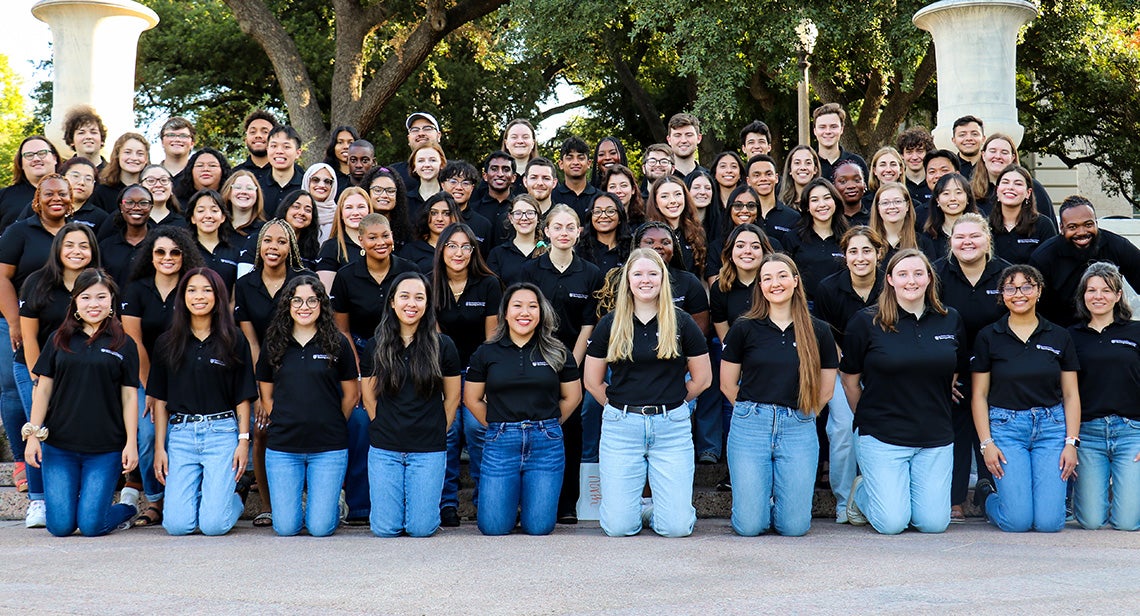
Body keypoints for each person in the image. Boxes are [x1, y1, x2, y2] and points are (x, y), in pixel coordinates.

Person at [583, 248, 711, 537]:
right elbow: (592, 381)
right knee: (618, 527)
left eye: (653, 273)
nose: (645, 280)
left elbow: (702, 379)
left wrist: (672, 403)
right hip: (621, 429)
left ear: (663, 278)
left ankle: (666, 509)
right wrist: (620, 409)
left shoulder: (681, 322)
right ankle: (633, 508)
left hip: (671, 429)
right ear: (627, 279)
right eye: (638, 273)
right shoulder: (610, 324)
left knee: (676, 528)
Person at [841, 249, 966, 535]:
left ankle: (893, 494)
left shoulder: (950, 319)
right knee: (892, 524)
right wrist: (867, 417)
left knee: (934, 524)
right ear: (890, 280)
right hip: (882, 435)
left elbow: (956, 364)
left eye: (919, 273)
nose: (912, 281)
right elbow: (849, 379)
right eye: (903, 274)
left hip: (934, 437)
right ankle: (863, 493)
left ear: (930, 278)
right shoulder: (866, 322)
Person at [721, 254, 838, 536]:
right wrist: (754, 414)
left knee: (794, 527)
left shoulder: (818, 330)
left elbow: (826, 389)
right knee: (749, 527)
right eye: (768, 278)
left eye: (783, 276)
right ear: (760, 286)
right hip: (751, 426)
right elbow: (727, 384)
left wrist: (802, 416)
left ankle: (777, 506)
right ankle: (757, 506)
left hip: (798, 425)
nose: (776, 283)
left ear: (796, 281)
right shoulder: (744, 328)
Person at [25, 269, 140, 536]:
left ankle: (126, 509)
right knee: (60, 527)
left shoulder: (124, 343)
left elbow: (129, 395)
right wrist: (32, 435)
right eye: (86, 297)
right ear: (75, 300)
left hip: (104, 449)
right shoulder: (58, 339)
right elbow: (42, 390)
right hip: (59, 446)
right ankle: (83, 506)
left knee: (91, 526)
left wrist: (131, 443)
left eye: (101, 297)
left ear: (112, 301)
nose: (94, 304)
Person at [465, 283, 582, 535]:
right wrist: (498, 426)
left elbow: (573, 396)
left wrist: (548, 425)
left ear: (541, 313)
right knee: (493, 527)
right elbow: (472, 399)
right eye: (517, 306)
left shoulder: (557, 351)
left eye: (532, 306)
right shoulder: (486, 353)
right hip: (500, 443)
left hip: (546, 444)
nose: (524, 312)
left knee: (539, 528)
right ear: (505, 313)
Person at [971, 264, 1081, 533]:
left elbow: (1071, 394)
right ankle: (988, 497)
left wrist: (1071, 443)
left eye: (1027, 286)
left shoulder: (1058, 335)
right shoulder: (989, 336)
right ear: (1002, 295)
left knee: (1049, 523)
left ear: (1039, 291)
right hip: (1006, 428)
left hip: (1051, 428)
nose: (1018, 293)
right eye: (1010, 287)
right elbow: (979, 395)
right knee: (1016, 522)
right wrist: (987, 445)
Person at [150, 268, 255, 535]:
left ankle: (233, 500)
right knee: (176, 526)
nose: (199, 296)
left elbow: (243, 396)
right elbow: (160, 401)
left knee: (214, 526)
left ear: (218, 296)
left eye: (207, 290)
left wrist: (243, 441)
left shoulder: (234, 340)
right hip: (181, 434)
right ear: (182, 297)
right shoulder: (166, 343)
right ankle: (206, 501)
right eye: (192, 290)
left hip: (221, 433)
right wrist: (160, 447)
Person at [520, 205, 603, 523]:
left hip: (572, 362)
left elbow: (588, 326)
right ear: (547, 231)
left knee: (569, 430)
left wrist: (569, 365)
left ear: (579, 232)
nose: (565, 232)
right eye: (558, 227)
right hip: (534, 358)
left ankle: (568, 503)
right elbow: (525, 318)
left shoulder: (590, 273)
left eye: (571, 226)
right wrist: (543, 361)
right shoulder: (532, 271)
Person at [362, 272, 462, 537]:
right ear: (392, 302)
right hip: (386, 449)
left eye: (419, 297)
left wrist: (439, 430)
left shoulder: (444, 346)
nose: (411, 304)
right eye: (404, 296)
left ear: (428, 304)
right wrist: (383, 426)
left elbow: (452, 399)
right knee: (385, 529)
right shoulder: (375, 346)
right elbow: (369, 398)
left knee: (421, 529)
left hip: (428, 448)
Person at [257, 275, 358, 536]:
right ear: (287, 305)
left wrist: (332, 421)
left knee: (321, 528)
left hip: (328, 447)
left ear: (322, 304)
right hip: (284, 448)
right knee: (286, 528)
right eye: (297, 300)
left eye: (312, 300)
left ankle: (334, 503)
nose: (305, 307)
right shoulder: (274, 344)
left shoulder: (337, 343)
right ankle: (305, 503)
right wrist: (283, 418)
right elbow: (266, 394)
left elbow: (351, 394)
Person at [16, 223, 100, 528]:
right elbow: (29, 337)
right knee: (37, 430)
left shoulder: (97, 285)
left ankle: (72, 496)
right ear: (58, 249)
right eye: (70, 245)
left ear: (92, 251)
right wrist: (39, 380)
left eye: (83, 246)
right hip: (35, 367)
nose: (76, 252)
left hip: (80, 371)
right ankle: (38, 498)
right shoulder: (36, 283)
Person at [121, 226, 206, 527]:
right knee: (147, 434)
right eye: (160, 252)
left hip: (188, 377)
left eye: (175, 252)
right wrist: (151, 388)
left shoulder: (193, 288)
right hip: (147, 377)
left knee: (178, 436)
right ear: (151, 255)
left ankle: (185, 497)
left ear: (185, 255)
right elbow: (134, 341)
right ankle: (156, 499)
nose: (167, 257)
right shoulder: (137, 289)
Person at [0, 174, 73, 526]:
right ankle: (38, 499)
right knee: (37, 424)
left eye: (63, 193)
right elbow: (1, 277)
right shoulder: (19, 233)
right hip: (33, 342)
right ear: (36, 200)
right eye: (49, 194)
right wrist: (14, 322)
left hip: (73, 353)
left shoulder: (78, 236)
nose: (56, 199)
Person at [234, 219, 316, 526]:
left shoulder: (303, 280)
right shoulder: (245, 285)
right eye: (268, 241)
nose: (274, 247)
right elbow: (251, 341)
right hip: (261, 367)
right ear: (259, 245)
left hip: (300, 364)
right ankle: (269, 504)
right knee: (261, 428)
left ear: (291, 247)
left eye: (282, 242)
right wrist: (260, 387)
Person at [932, 213, 1009, 522]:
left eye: (974, 236)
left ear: (987, 239)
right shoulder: (937, 274)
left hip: (998, 369)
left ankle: (992, 493)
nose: (967, 242)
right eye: (960, 237)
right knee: (957, 432)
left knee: (993, 432)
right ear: (951, 242)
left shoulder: (1005, 274)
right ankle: (954, 499)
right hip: (954, 369)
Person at [813, 226, 886, 523]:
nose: (860, 257)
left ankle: (878, 494)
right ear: (844, 256)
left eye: (867, 250)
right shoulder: (829, 288)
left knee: (883, 431)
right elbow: (827, 336)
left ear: (879, 254)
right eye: (853, 251)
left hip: (885, 369)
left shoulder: (892, 283)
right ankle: (845, 500)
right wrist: (848, 369)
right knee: (842, 429)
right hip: (843, 368)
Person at [432, 223, 502, 527]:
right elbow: (432, 344)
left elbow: (491, 342)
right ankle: (446, 502)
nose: (458, 253)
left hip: (477, 373)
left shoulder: (488, 284)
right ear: (441, 250)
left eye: (465, 246)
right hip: (441, 373)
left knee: (476, 428)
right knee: (447, 432)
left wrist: (482, 384)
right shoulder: (428, 283)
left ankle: (484, 500)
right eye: (451, 246)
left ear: (474, 251)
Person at [1069, 262, 1140, 531]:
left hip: (1132, 432)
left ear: (1118, 295)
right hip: (1089, 433)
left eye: (1106, 290)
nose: (1098, 296)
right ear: (1083, 295)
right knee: (1090, 521)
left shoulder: (1135, 332)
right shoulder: (1070, 336)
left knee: (1127, 523)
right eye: (1092, 290)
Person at [1029, 196, 1140, 327]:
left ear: (1096, 223)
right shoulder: (1043, 257)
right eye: (1072, 227)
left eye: (1088, 224)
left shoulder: (1117, 246)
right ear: (1061, 228)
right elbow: (1033, 305)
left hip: (1112, 329)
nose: (1082, 232)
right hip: (1064, 331)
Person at [783, 178, 848, 304]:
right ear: (807, 206)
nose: (822, 204)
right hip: (805, 306)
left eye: (827, 198)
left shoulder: (848, 238)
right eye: (814, 200)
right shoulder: (792, 238)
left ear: (835, 201)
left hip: (840, 305)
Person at [969, 134, 1055, 224]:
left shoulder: (1033, 188)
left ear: (1012, 158)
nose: (998, 156)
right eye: (993, 151)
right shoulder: (970, 192)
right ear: (983, 155)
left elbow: (1049, 230)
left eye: (1004, 152)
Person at [988, 164, 1057, 265]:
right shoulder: (986, 226)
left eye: (1018, 184)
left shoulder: (1043, 225)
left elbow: (1052, 265)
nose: (1010, 187)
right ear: (997, 190)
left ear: (1028, 193)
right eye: (1005, 182)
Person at [645, 176, 706, 277]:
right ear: (655, 202)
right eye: (664, 196)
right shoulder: (646, 235)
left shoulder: (696, 232)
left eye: (677, 194)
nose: (673, 200)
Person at [1, 136, 60, 234]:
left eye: (42, 153)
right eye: (29, 155)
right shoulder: (4, 196)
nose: (36, 159)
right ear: (21, 163)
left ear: (54, 158)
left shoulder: (73, 193)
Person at [315, 187, 371, 290]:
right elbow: (325, 294)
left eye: (361, 207)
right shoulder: (331, 248)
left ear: (369, 210)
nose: (355, 212)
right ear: (341, 213)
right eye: (349, 207)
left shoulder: (380, 245)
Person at [97, 184, 154, 285]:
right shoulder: (106, 247)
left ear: (151, 207)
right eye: (129, 203)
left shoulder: (159, 244)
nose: (136, 208)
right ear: (121, 207)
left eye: (143, 203)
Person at [186, 189, 241, 291]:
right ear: (193, 218)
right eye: (201, 211)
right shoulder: (185, 251)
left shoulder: (235, 253)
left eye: (214, 210)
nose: (208, 216)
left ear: (223, 217)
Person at [868, 182, 936, 263]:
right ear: (878, 208)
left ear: (907, 205)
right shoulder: (868, 243)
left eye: (897, 201)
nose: (892, 207)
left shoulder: (923, 243)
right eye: (885, 203)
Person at [486, 194, 545, 286]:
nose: (524, 218)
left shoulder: (549, 252)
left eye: (530, 213)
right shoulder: (497, 254)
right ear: (511, 218)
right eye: (518, 213)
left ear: (538, 218)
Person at [399, 191, 459, 274]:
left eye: (446, 214)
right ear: (426, 216)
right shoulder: (410, 250)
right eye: (434, 213)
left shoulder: (462, 249)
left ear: (455, 217)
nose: (439, 219)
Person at [922, 173, 978, 259]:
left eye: (958, 193)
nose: (952, 198)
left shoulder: (980, 232)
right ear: (937, 200)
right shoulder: (928, 236)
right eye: (946, 193)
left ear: (968, 198)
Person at [745, 154, 798, 246]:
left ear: (776, 178)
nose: (763, 179)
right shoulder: (743, 215)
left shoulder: (793, 217)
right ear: (748, 181)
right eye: (757, 175)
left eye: (768, 174)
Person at [441, 161, 493, 255]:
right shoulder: (434, 219)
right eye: (453, 181)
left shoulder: (483, 225)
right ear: (442, 185)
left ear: (472, 188)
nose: (459, 187)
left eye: (465, 183)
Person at [576, 191, 632, 275]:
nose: (603, 216)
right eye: (597, 212)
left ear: (620, 217)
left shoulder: (632, 248)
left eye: (610, 211)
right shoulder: (579, 250)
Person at [94, 133, 149, 212]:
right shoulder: (102, 192)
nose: (134, 158)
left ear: (146, 159)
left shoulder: (152, 191)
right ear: (117, 155)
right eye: (127, 152)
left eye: (140, 154)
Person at [220, 169, 266, 262]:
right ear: (228, 193)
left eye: (249, 188)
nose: (244, 192)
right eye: (238, 187)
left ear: (257, 195)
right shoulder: (218, 228)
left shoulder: (265, 231)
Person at [813, 103, 867, 181]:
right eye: (822, 127)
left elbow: (868, 192)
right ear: (815, 131)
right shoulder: (808, 165)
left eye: (833, 127)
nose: (828, 131)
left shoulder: (857, 162)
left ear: (841, 129)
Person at [57, 158, 109, 233]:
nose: (82, 182)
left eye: (88, 179)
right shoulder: (47, 209)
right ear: (62, 177)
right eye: (75, 176)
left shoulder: (101, 218)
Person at [260, 126, 305, 213]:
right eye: (274, 146)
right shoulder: (257, 187)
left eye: (286, 147)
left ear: (298, 153)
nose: (279, 151)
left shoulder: (306, 186)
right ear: (267, 150)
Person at [552, 137, 597, 221]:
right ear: (561, 164)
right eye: (569, 158)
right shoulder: (552, 198)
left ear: (589, 163)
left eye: (581, 158)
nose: (575, 162)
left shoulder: (599, 197)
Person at [274, 190, 320, 269]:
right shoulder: (264, 239)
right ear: (286, 209)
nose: (302, 213)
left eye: (308, 210)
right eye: (296, 207)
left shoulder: (312, 248)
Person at [232, 109, 277, 177]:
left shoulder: (291, 173)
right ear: (245, 140)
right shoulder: (233, 175)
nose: (258, 136)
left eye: (265, 132)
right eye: (253, 132)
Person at [406, 143, 446, 219]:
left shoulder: (450, 199)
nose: (427, 165)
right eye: (421, 161)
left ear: (441, 164)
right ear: (414, 166)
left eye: (432, 160)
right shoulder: (405, 201)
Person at [301, 163, 339, 243]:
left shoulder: (340, 215)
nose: (321, 185)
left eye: (327, 181)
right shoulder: (297, 212)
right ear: (307, 182)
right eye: (315, 180)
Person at [897, 127, 935, 206]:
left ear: (927, 153)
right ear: (902, 155)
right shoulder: (896, 184)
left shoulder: (935, 183)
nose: (914, 157)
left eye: (920, 151)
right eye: (909, 152)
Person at [778, 144, 821, 209]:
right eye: (797, 163)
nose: (803, 167)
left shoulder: (822, 204)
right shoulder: (781, 205)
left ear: (815, 169)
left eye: (808, 163)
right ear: (790, 170)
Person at [502, 119, 538, 192]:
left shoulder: (545, 172)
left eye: (525, 137)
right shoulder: (493, 174)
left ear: (533, 143)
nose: (520, 141)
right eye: (514, 137)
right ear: (506, 143)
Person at [832, 160, 870, 227]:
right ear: (834, 187)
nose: (851, 186)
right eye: (843, 181)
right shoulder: (830, 220)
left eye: (857, 180)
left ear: (864, 185)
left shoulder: (874, 219)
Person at [323, 125, 359, 192]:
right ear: (333, 146)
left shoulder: (366, 175)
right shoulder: (325, 173)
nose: (346, 147)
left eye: (350, 143)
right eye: (340, 142)